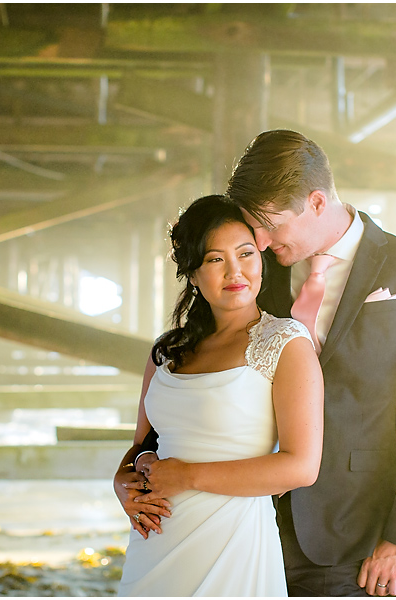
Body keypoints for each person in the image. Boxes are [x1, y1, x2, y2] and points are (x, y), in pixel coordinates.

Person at [225, 129, 396, 597]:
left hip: (349, 531)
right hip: (242, 514)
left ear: (317, 202)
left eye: (272, 224)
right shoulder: (255, 267)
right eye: (253, 225)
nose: (260, 239)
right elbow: (202, 364)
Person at [112, 194, 324, 597]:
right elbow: (141, 446)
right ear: (192, 273)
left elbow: (301, 467)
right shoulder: (167, 351)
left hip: (233, 545)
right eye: (214, 259)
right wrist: (121, 485)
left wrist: (188, 476)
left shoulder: (285, 343)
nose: (235, 271)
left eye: (245, 253)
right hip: (154, 544)